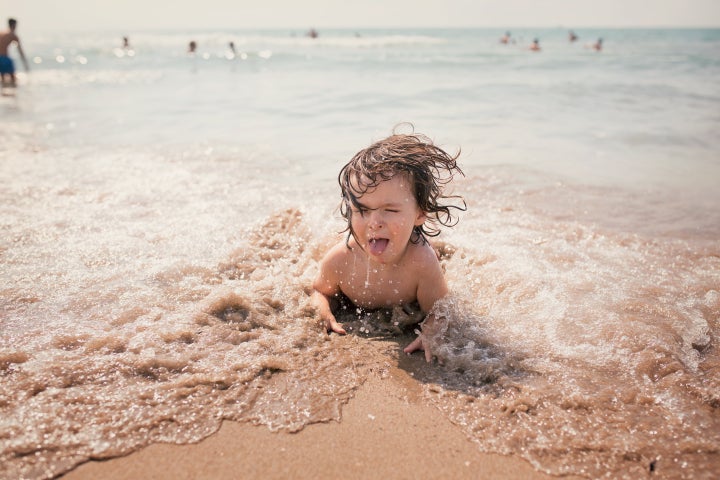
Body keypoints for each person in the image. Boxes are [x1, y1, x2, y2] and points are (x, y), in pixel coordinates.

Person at [312, 130, 466, 362]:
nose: (375, 223)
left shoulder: (421, 263)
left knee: (431, 251)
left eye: (391, 210)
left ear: (420, 213)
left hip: (416, 249)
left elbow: (441, 311)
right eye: (362, 210)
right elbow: (319, 291)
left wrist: (431, 333)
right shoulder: (341, 259)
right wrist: (322, 311)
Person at [0, 18, 29, 87]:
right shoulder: (13, 35)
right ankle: (12, 95)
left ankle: (4, 94)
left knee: (3, 78)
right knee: (13, 79)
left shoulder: (1, 33)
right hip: (4, 58)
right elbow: (20, 50)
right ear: (14, 25)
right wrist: (25, 62)